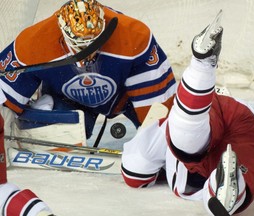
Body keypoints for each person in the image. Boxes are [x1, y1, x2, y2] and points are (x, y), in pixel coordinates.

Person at [121, 23, 254, 215]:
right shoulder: (247, 113)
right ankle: (225, 187)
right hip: (243, 124)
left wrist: (151, 166)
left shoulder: (195, 115)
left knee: (141, 167)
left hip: (220, 117)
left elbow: (138, 164)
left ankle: (202, 64)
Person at [0, 0, 176, 140]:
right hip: (68, 100)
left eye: (94, 41)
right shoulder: (34, 42)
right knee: (49, 130)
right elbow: (4, 94)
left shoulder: (133, 36)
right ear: (62, 30)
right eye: (80, 44)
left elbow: (158, 105)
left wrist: (157, 140)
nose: (89, 52)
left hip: (124, 97)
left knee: (162, 134)